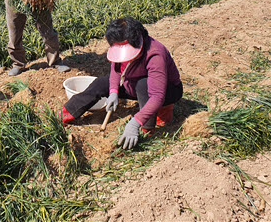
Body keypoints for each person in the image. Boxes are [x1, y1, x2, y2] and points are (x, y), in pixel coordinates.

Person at [60, 17, 183, 150]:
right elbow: (116, 68)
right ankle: (65, 114)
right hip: (133, 83)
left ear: (138, 41)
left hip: (165, 91)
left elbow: (157, 96)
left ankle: (148, 129)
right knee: (101, 83)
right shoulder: (121, 44)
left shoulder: (155, 54)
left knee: (143, 85)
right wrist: (113, 92)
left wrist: (135, 123)